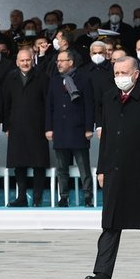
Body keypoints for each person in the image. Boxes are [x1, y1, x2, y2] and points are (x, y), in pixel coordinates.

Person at [85, 56, 140, 279]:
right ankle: (102, 274)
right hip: (115, 170)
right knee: (110, 224)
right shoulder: (109, 98)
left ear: (136, 73)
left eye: (124, 72)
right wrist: (101, 169)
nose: (120, 77)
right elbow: (106, 136)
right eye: (116, 73)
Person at [45, 49, 95, 207]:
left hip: (78, 129)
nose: (58, 63)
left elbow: (89, 105)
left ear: (71, 62)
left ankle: (88, 196)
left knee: (83, 167)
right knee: (62, 167)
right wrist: (49, 128)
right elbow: (49, 106)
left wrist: (89, 127)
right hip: (60, 129)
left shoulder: (83, 79)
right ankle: (64, 196)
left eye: (62, 60)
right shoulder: (54, 80)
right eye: (57, 61)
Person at [2, 47, 50, 207]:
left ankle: (37, 199)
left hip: (38, 127)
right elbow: (5, 104)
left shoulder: (42, 77)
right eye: (22, 60)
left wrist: (48, 126)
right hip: (16, 127)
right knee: (19, 164)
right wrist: (6, 126)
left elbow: (48, 104)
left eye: (27, 60)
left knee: (39, 164)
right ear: (17, 62)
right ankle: (21, 197)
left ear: (33, 60)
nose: (25, 63)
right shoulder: (10, 78)